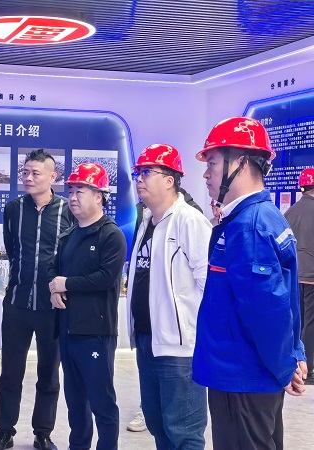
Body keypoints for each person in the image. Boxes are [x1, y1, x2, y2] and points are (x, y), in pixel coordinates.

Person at [192, 117, 307, 450]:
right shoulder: (262, 216)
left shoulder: (249, 226)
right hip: (249, 373)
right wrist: (293, 353)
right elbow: (287, 298)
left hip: (241, 374)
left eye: (212, 163)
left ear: (240, 163)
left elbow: (267, 308)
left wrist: (285, 366)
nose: (206, 174)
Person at [0, 149, 74, 450]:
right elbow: (12, 250)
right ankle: (5, 432)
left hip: (53, 307)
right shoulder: (13, 209)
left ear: (53, 177)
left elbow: (70, 255)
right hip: (17, 302)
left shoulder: (67, 210)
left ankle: (43, 433)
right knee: (10, 372)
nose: (28, 177)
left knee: (48, 374)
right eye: (25, 172)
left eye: (35, 173)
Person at [127, 144, 211, 449]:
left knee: (184, 429)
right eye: (138, 173)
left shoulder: (190, 220)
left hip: (179, 347)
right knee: (157, 422)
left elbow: (209, 283)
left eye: (147, 172)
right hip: (147, 340)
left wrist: (191, 329)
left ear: (169, 180)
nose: (139, 179)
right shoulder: (147, 221)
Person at [47, 163, 127, 450]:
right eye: (71, 191)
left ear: (99, 196)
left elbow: (106, 278)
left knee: (102, 403)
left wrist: (66, 284)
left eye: (80, 191)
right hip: (68, 332)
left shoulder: (111, 234)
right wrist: (53, 289)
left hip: (96, 333)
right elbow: (54, 271)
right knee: (76, 404)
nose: (73, 197)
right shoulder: (69, 235)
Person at [284, 167, 314, 384]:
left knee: (298, 321)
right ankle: (309, 369)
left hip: (294, 277)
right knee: (311, 323)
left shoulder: (290, 211)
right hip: (312, 276)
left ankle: (296, 363)